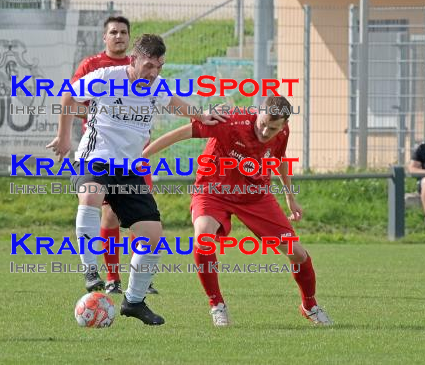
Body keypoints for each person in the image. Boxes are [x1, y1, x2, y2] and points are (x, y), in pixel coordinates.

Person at [47, 34, 227, 325]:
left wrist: (201, 115)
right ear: (133, 60)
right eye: (148, 66)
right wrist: (64, 137)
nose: (153, 73)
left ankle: (133, 301)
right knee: (91, 196)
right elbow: (68, 94)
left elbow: (176, 104)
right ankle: (90, 270)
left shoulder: (156, 86)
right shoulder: (106, 76)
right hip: (95, 157)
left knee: (153, 235)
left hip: (129, 169)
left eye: (159, 67)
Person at [142, 96, 333, 327]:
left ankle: (310, 306)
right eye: (262, 123)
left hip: (255, 195)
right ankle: (217, 305)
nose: (264, 131)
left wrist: (290, 198)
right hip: (213, 189)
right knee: (203, 236)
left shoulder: (282, 133)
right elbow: (181, 133)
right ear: (257, 113)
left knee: (298, 254)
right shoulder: (229, 122)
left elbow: (280, 159)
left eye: (272, 128)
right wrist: (141, 157)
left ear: (283, 125)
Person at [69, 15, 157, 295]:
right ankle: (107, 275)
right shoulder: (95, 68)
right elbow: (72, 100)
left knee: (142, 222)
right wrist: (106, 117)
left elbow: (168, 102)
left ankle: (137, 284)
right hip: (99, 152)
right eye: (113, 32)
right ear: (104, 37)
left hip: (132, 156)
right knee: (101, 209)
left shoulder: (149, 73)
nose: (119, 36)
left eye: (123, 32)